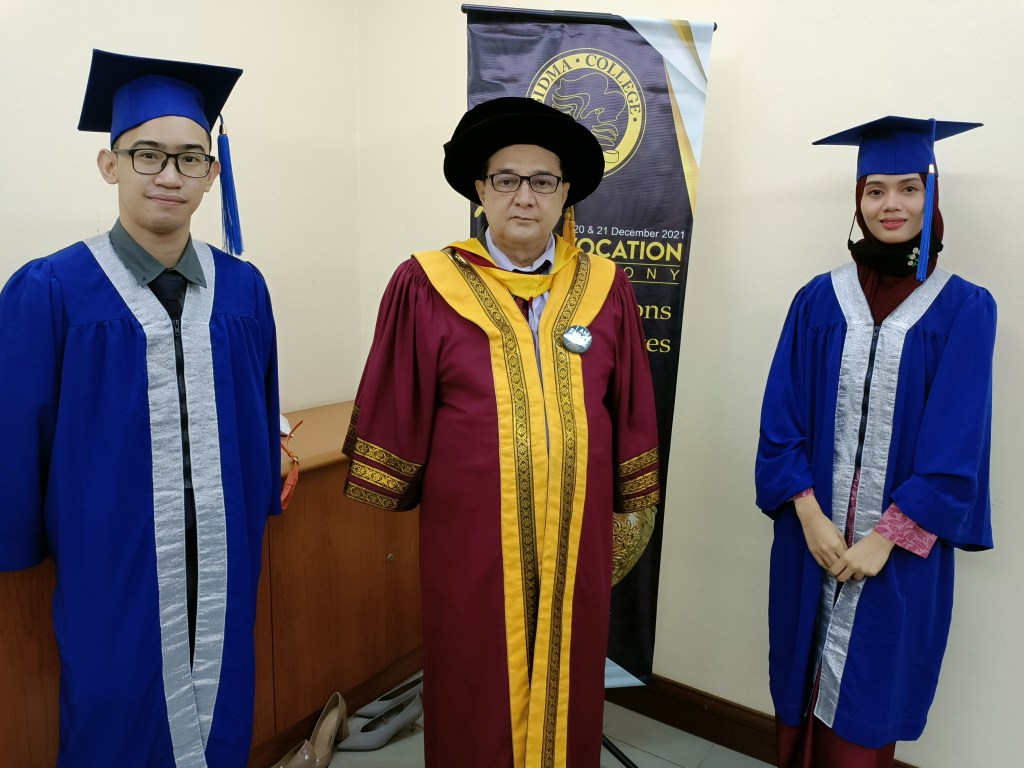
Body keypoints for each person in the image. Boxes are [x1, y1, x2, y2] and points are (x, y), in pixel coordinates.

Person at [342, 97, 660, 767]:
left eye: (543, 181)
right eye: (506, 179)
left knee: (570, 669)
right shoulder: (427, 284)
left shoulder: (605, 287)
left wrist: (631, 494)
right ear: (480, 189)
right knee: (474, 670)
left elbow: (629, 404)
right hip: (472, 539)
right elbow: (398, 400)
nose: (524, 197)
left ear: (565, 193)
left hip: (576, 534)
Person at [0, 50, 280, 767]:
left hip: (222, 551)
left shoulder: (243, 289)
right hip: (108, 556)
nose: (169, 175)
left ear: (212, 174)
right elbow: (17, 429)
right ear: (110, 165)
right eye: (147, 154)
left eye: (190, 159)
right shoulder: (51, 289)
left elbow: (259, 403)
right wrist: (16, 540)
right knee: (111, 705)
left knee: (221, 698)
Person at [755, 116, 996, 768]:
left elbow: (957, 446)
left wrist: (884, 538)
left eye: (909, 188)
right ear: (857, 200)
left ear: (931, 194)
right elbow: (780, 420)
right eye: (875, 190)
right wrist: (808, 515)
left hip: (898, 553)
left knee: (869, 696)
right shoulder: (817, 300)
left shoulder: (965, 309)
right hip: (809, 538)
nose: (892, 204)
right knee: (797, 676)